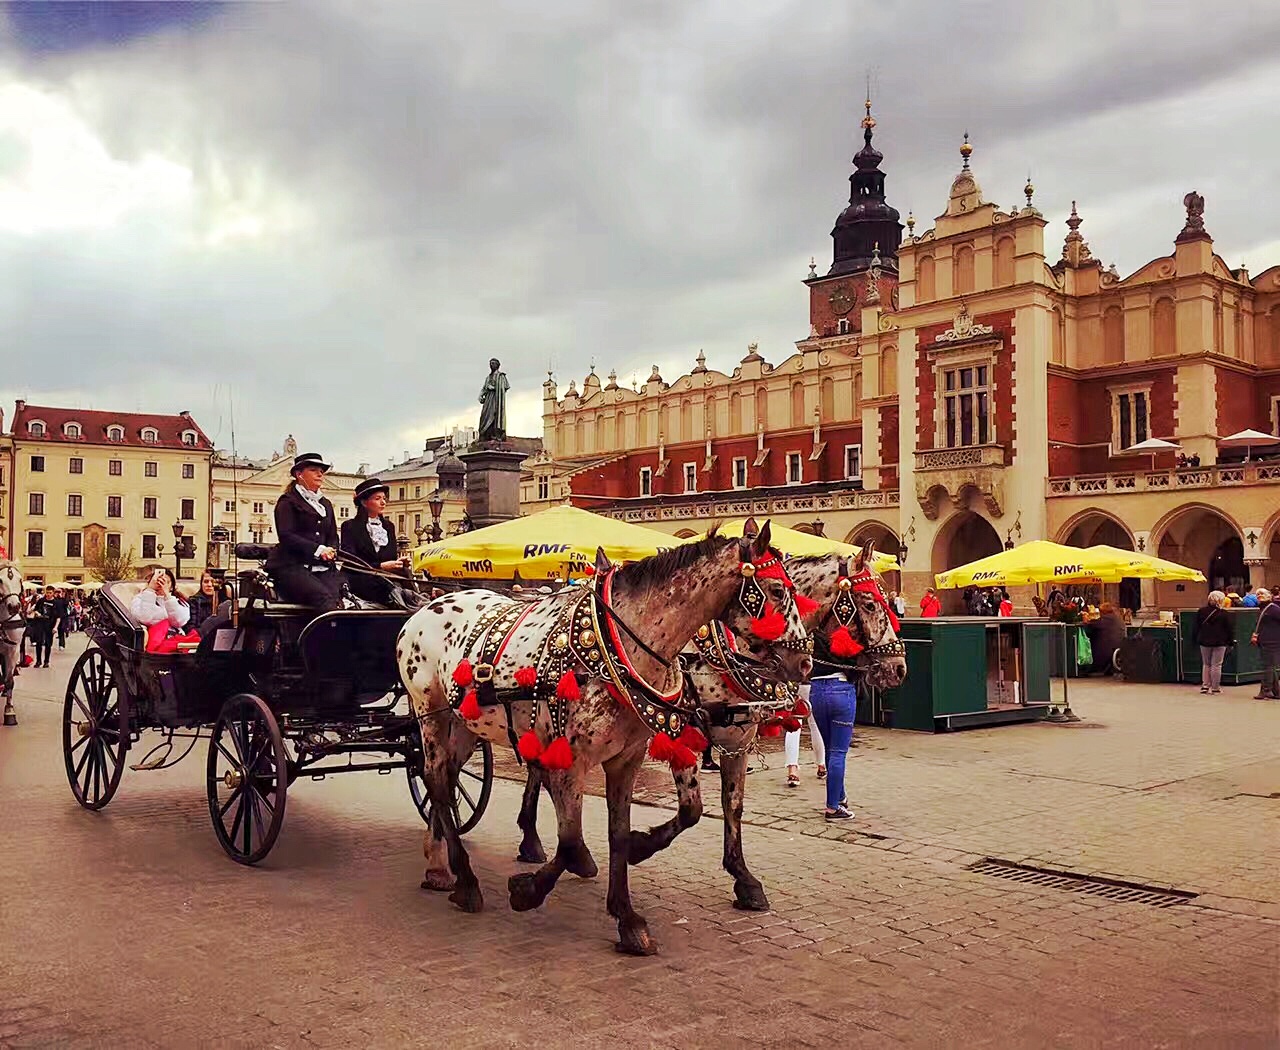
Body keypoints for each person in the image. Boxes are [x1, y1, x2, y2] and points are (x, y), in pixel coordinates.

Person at [264, 452, 344, 612]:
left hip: (321, 567)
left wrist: (331, 550)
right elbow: (286, 536)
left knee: (341, 598)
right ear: (299, 474)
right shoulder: (287, 502)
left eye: (321, 470)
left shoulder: (325, 504)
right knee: (323, 598)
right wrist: (319, 550)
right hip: (291, 566)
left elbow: (333, 536)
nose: (320, 473)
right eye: (314, 470)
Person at [340, 478, 411, 604]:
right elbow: (351, 563)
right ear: (364, 502)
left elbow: (391, 557)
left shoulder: (389, 526)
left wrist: (399, 563)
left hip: (386, 577)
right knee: (391, 590)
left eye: (384, 498)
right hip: (361, 578)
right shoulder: (350, 526)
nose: (383, 502)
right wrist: (380, 566)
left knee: (406, 580)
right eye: (377, 499)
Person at [809, 665, 857, 821]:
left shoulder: (814, 639)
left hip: (815, 689)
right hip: (841, 687)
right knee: (838, 751)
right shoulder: (846, 639)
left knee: (830, 748)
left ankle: (840, 797)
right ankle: (832, 808)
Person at [131, 569, 195, 652]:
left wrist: (167, 597)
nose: (161, 584)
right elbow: (145, 617)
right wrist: (150, 591)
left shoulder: (180, 602)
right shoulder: (140, 599)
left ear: (172, 586)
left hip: (176, 641)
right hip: (154, 643)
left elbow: (179, 621)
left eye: (166, 582)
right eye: (158, 580)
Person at [784, 682, 826, 786]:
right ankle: (821, 765)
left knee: (793, 725)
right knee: (815, 725)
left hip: (791, 683)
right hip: (811, 682)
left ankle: (792, 770)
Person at [1192, 590, 1232, 694]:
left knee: (1206, 664)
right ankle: (1215, 687)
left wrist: (1195, 639)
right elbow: (1229, 630)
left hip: (1204, 640)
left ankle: (1205, 686)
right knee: (1217, 665)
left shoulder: (1201, 611)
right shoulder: (1224, 614)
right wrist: (1230, 642)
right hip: (1220, 641)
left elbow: (1196, 627)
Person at [1250, 589, 1280, 700]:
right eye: (1257, 594)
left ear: (1269, 596)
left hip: (1272, 641)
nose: (1259, 596)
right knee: (1270, 666)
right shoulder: (1264, 608)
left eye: (1262, 594)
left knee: (1267, 666)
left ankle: (1265, 690)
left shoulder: (1273, 609)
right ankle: (1276, 692)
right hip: (1266, 641)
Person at [478, 358, 510, 442]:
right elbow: (484, 388)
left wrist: (494, 388)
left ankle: (494, 434)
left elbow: (504, 388)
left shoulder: (501, 376)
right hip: (488, 400)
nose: (491, 365)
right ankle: (485, 434)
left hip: (496, 400)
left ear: (497, 365)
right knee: (484, 416)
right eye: (490, 363)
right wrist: (481, 395)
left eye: (493, 363)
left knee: (495, 415)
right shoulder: (488, 377)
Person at [29, 585, 58, 667]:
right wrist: (37, 613)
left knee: (48, 644)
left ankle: (46, 661)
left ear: (53, 593)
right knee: (39, 642)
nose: (48, 594)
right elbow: (35, 609)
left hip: (50, 625)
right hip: (40, 624)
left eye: (50, 593)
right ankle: (38, 661)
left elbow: (58, 617)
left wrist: (55, 627)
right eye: (47, 592)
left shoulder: (56, 603)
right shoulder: (41, 600)